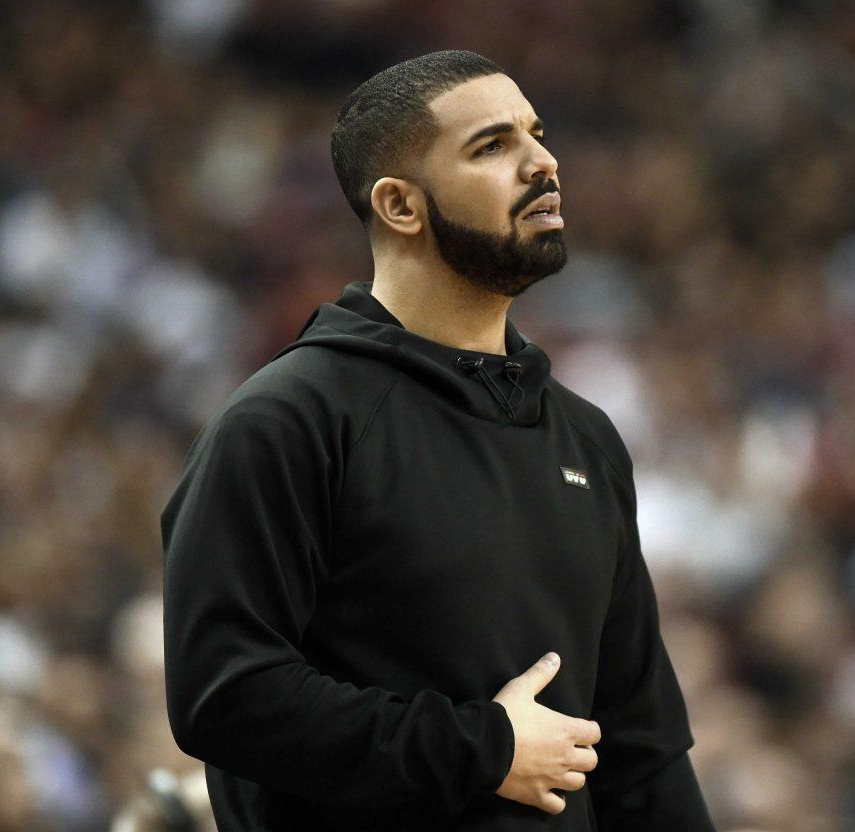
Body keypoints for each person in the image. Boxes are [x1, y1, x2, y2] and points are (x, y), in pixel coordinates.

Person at [160, 49, 715, 831]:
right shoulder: (287, 421)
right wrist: (482, 748)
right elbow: (226, 695)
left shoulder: (586, 439)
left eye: (537, 133)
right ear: (399, 205)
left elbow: (639, 749)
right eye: (493, 146)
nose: (543, 162)